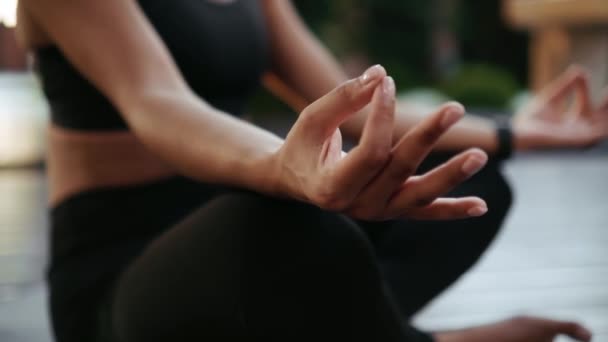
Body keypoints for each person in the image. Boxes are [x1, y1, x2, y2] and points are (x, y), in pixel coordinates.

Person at [14, 0, 606, 341]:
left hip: (253, 263)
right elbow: (158, 101)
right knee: (286, 227)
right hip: (122, 287)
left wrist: (515, 134)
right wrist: (285, 170)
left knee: (471, 179)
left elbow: (348, 100)